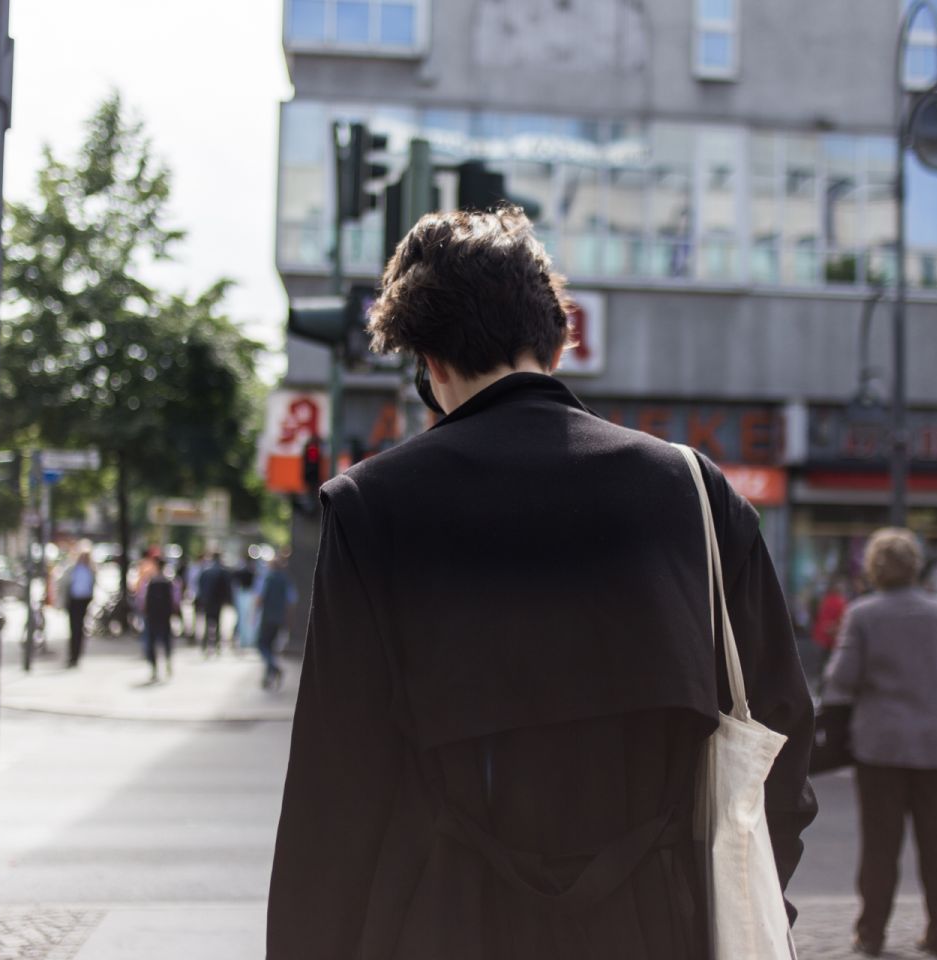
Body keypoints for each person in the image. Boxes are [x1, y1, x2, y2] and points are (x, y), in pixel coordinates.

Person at [268, 207, 816, 960]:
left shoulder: (373, 506)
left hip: (442, 923)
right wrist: (747, 901)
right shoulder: (694, 491)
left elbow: (336, 785)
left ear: (429, 361)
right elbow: (780, 728)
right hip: (659, 924)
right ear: (556, 342)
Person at [822, 527, 937, 959]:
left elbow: (841, 679)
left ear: (874, 568)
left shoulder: (863, 615)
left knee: (880, 845)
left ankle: (871, 933)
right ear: (916, 566)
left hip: (882, 745)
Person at [254, 550, 295, 691]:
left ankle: (273, 668)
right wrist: (288, 619)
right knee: (271, 647)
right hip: (279, 618)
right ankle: (268, 677)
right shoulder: (286, 580)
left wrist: (253, 614)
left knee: (262, 645)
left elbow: (259, 598)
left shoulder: (267, 579)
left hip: (267, 617)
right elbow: (291, 601)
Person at [57, 543, 96, 668]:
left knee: (80, 628)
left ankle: (76, 654)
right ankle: (72, 655)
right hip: (73, 600)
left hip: (83, 601)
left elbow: (92, 584)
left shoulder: (90, 570)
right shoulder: (73, 569)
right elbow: (63, 583)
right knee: (74, 628)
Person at [142, 560, 175, 683]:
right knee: (165, 642)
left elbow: (146, 601)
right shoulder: (167, 582)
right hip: (164, 617)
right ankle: (167, 663)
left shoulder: (152, 582)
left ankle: (155, 669)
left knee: (152, 644)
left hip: (153, 617)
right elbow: (172, 601)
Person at [196, 551, 229, 657]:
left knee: (207, 623)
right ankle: (216, 646)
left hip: (207, 601)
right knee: (217, 624)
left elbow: (200, 586)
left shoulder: (206, 571)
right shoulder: (222, 571)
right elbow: (226, 587)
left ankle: (205, 646)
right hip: (217, 601)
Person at [813, 576, 848, 673]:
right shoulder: (841, 602)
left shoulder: (825, 600)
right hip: (833, 636)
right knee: (832, 662)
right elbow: (843, 619)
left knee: (823, 660)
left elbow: (819, 615)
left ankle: (821, 676)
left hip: (822, 634)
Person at [230, 557, 257, 651]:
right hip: (247, 594)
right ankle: (246, 639)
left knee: (244, 618)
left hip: (245, 594)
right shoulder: (251, 571)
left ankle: (245, 639)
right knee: (246, 618)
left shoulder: (243, 571)